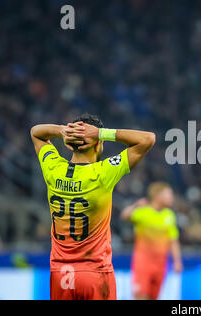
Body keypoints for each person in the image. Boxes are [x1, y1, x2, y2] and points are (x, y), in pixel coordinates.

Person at [30, 113, 156, 300]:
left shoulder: (52, 168)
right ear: (98, 143)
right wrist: (101, 133)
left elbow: (35, 132)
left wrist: (62, 130)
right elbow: (148, 139)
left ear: (67, 143)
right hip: (96, 273)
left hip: (60, 273)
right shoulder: (103, 173)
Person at [121, 182, 183, 300]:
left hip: (160, 265)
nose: (172, 197)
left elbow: (173, 240)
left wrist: (177, 261)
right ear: (158, 195)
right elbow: (124, 216)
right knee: (140, 297)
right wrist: (135, 206)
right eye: (168, 194)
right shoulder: (143, 212)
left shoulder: (169, 215)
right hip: (143, 264)